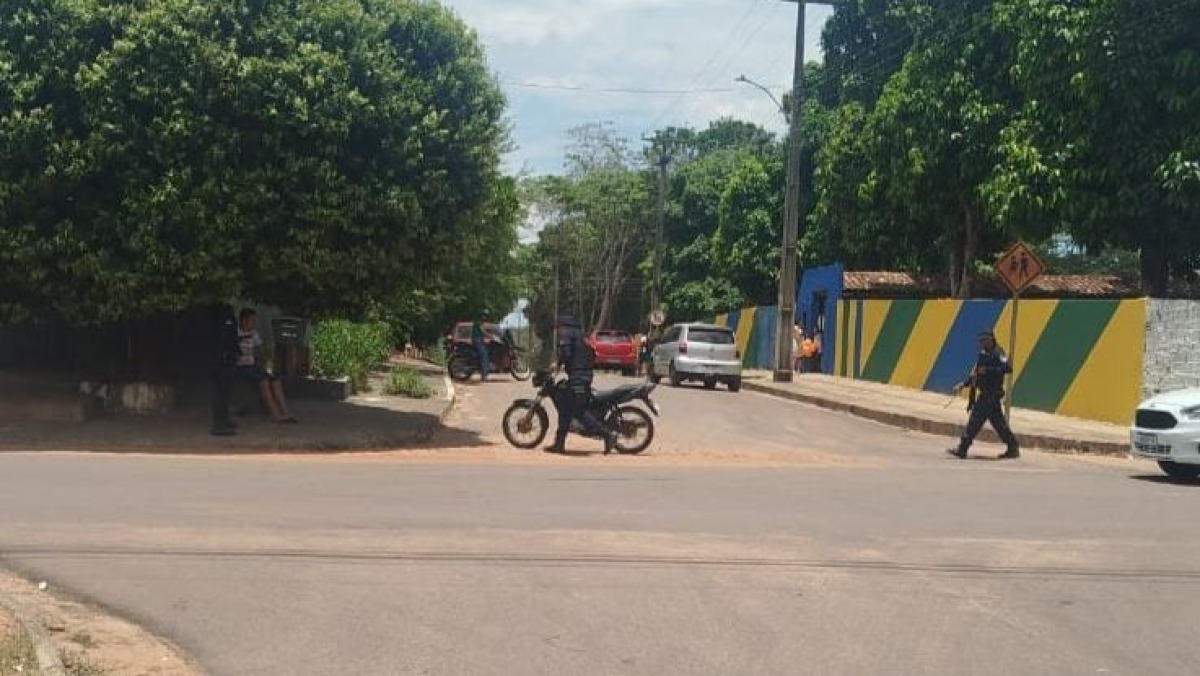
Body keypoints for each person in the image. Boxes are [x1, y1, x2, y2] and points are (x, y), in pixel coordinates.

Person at [546, 314, 617, 455]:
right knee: (565, 408)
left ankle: (607, 434)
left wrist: (557, 364)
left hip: (578, 377)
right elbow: (592, 356)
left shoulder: (567, 335)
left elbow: (565, 353)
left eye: (557, 328)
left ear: (562, 326)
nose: (557, 331)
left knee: (578, 410)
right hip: (583, 375)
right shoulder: (581, 337)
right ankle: (559, 444)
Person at [947, 331, 1020, 460]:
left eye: (984, 340)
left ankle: (963, 448)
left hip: (992, 393)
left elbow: (1008, 368)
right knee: (998, 423)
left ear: (991, 340)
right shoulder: (983, 355)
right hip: (985, 391)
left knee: (975, 420)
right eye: (980, 341)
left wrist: (989, 370)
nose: (981, 343)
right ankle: (1013, 446)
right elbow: (977, 375)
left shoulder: (998, 353)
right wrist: (964, 384)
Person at [235, 309, 298, 424]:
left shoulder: (254, 334)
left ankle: (285, 413)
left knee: (275, 379)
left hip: (253, 366)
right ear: (244, 321)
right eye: (251, 321)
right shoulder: (236, 333)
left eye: (255, 321)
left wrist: (264, 357)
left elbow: (260, 350)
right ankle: (275, 415)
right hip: (241, 367)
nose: (254, 324)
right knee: (263, 381)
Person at [211, 305, 240, 436]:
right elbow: (224, 337)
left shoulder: (229, 314)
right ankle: (219, 424)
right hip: (221, 358)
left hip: (229, 358)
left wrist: (237, 352)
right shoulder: (220, 314)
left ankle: (225, 419)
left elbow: (233, 336)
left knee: (227, 391)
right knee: (221, 392)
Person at [471, 312, 490, 381]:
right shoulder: (479, 323)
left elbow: (483, 332)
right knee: (484, 355)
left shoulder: (477, 323)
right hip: (477, 341)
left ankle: (484, 373)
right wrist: (491, 336)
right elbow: (483, 332)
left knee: (485, 353)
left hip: (477, 340)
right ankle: (484, 376)